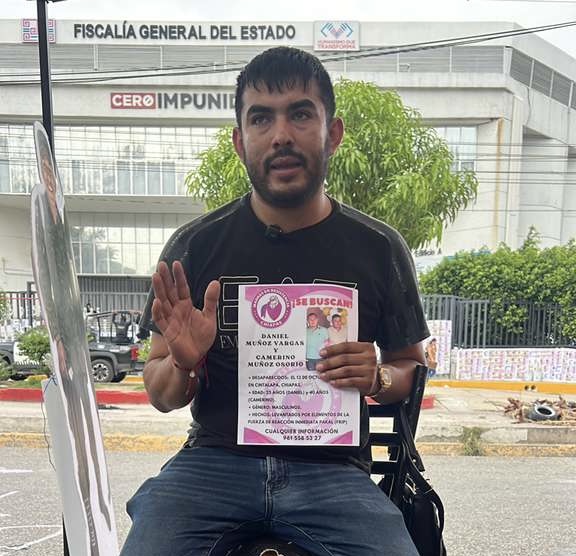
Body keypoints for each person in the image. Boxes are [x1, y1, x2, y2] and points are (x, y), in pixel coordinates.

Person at [121, 46, 429, 556]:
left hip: (334, 475)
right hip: (213, 467)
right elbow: (161, 394)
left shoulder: (379, 247)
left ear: (333, 133)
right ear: (240, 142)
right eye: (261, 118)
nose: (281, 134)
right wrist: (181, 362)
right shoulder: (194, 247)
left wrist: (376, 375)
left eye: (300, 114)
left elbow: (410, 370)